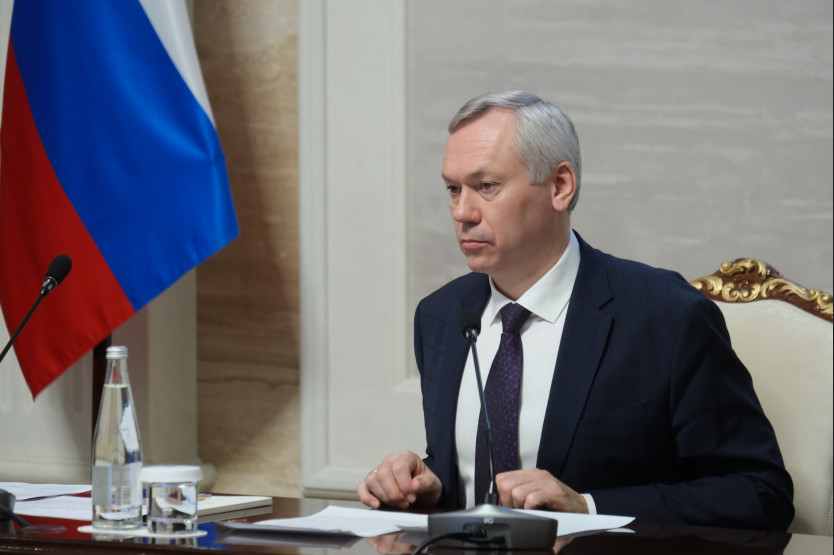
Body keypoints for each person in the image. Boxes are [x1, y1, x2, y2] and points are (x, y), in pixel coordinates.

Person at [356, 91, 794, 532]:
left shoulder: (667, 316)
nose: (462, 212)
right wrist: (430, 485)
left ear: (560, 186)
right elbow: (476, 472)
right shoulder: (440, 316)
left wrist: (587, 507)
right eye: (454, 189)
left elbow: (759, 494)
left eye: (486, 187)